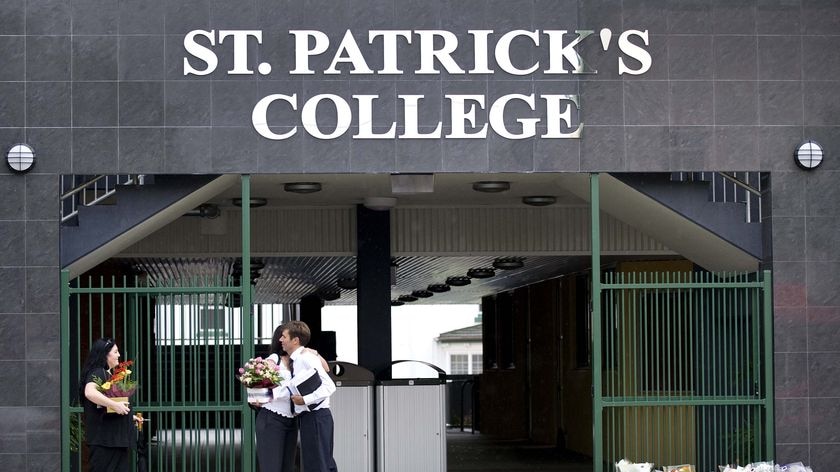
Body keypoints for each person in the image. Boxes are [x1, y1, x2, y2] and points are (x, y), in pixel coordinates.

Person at [280, 320, 339, 472]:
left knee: (318, 464)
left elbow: (329, 385)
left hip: (315, 417)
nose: (281, 340)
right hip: (313, 418)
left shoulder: (305, 358)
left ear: (295, 340)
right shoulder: (301, 358)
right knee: (322, 462)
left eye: (284, 336)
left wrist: (304, 400)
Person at [78, 338, 142, 472]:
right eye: (116, 352)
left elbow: (104, 407)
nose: (119, 355)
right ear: (105, 354)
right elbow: (90, 392)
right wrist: (115, 405)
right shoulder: (97, 372)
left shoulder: (107, 374)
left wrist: (127, 415)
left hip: (114, 440)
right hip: (105, 440)